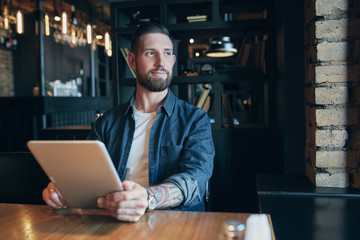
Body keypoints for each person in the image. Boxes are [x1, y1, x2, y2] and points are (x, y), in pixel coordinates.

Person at [42, 21, 215, 222]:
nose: (161, 62)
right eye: (151, 53)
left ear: (173, 60)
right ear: (132, 61)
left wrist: (148, 197)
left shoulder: (195, 119)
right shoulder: (106, 123)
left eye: (167, 53)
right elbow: (83, 174)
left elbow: (194, 181)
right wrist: (63, 189)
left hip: (177, 225)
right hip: (115, 223)